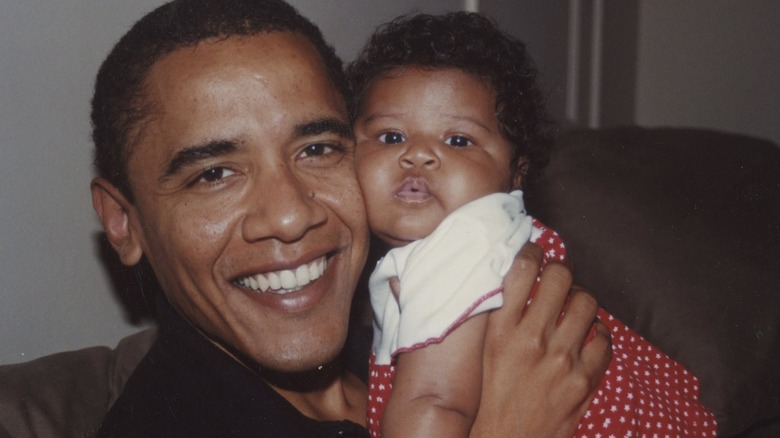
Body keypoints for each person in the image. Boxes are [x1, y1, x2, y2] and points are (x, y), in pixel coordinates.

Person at [89, 0, 611, 436]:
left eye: (317, 148)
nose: (291, 216)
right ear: (123, 222)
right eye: (214, 174)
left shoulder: (415, 330)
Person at [347, 12, 718, 438]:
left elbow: (435, 403)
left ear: (515, 174)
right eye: (391, 137)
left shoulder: (461, 244)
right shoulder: (498, 240)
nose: (419, 155)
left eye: (458, 140)